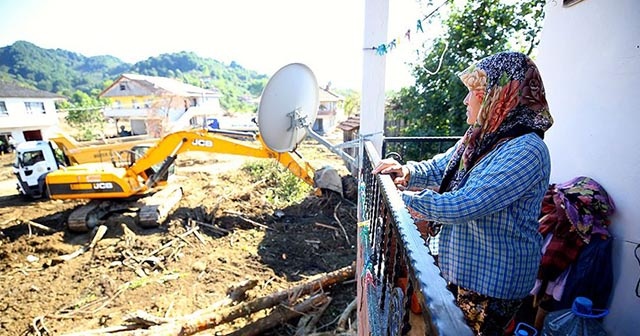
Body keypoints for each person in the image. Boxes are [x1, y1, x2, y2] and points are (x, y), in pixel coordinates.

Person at [372, 51, 554, 335]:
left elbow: (466, 205)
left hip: (493, 281)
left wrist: (401, 201)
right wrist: (406, 172)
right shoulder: (481, 137)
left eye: (475, 92)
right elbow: (441, 167)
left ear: (501, 96)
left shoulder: (527, 150)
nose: (466, 100)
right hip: (463, 267)